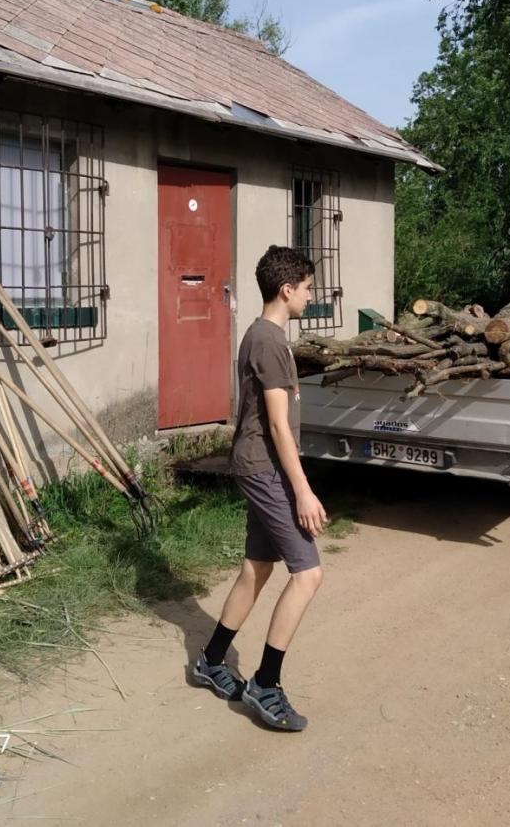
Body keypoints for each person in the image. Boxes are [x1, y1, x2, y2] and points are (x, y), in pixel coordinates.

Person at [191, 245, 326, 731]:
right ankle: (265, 685)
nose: (311, 296)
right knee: (308, 575)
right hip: (265, 468)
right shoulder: (268, 340)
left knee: (257, 569)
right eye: (308, 288)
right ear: (287, 289)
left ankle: (210, 660)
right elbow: (278, 426)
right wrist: (303, 490)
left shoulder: (265, 336)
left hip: (256, 465)